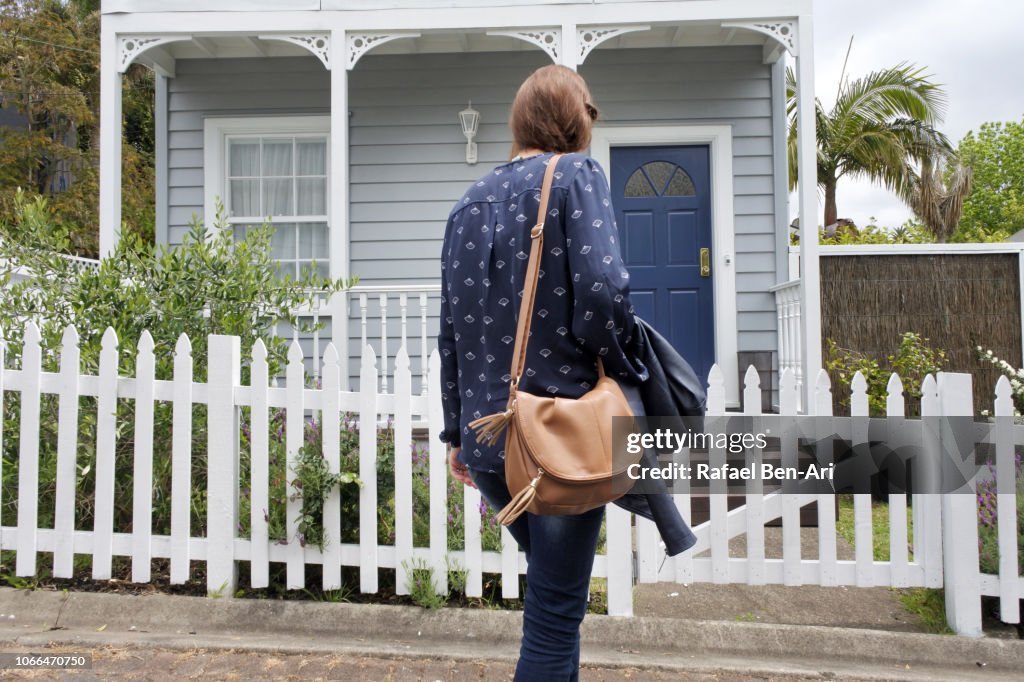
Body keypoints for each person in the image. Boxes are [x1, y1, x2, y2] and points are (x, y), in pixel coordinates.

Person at [437, 64, 647, 680]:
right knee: (556, 613)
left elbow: (449, 330)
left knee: (555, 594)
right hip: (557, 439)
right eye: (591, 112)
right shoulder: (577, 177)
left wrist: (456, 434)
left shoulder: (465, 204)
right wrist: (624, 360)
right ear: (574, 119)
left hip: (490, 444)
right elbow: (606, 292)